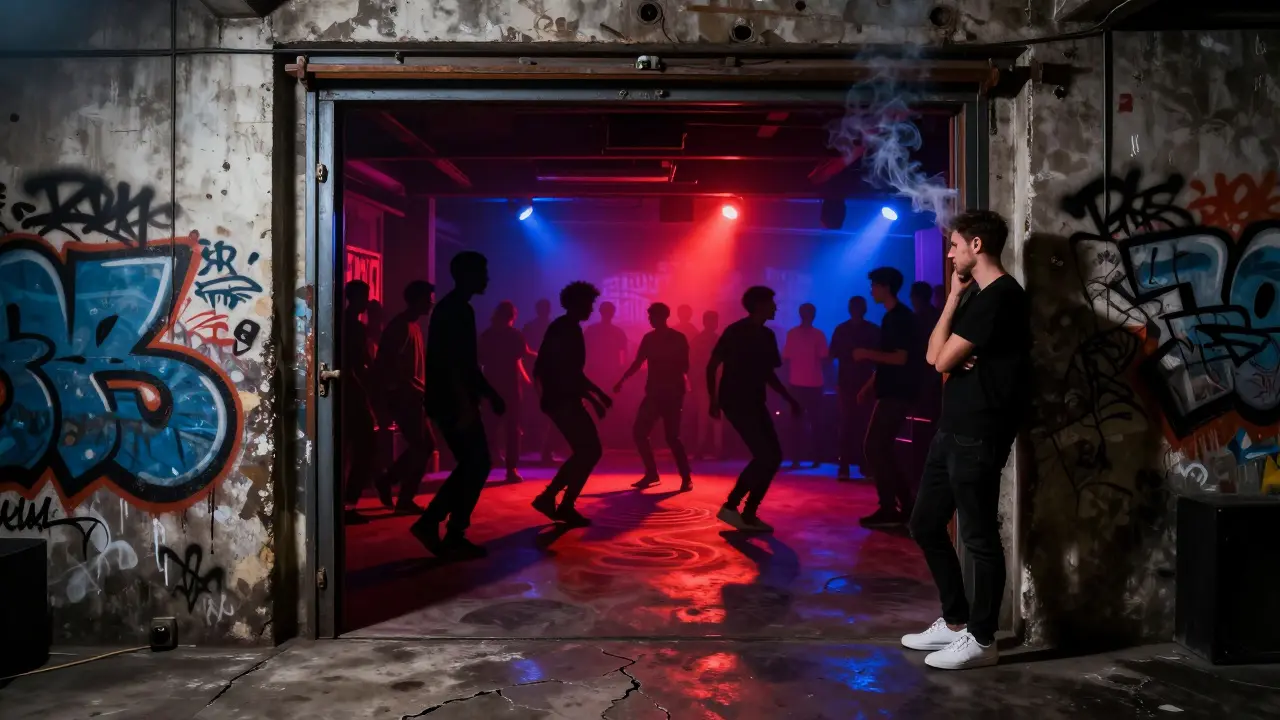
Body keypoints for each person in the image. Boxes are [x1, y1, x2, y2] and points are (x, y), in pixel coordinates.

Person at [900, 210, 1029, 671]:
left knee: (977, 537)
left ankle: (982, 638)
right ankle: (955, 623)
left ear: (977, 245)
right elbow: (935, 355)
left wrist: (954, 356)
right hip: (952, 430)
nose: (949, 252)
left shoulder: (1002, 297)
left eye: (954, 244)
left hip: (980, 432)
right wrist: (953, 298)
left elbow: (939, 362)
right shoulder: (975, 296)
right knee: (925, 524)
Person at [414, 252, 505, 560]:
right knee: (477, 463)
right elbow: (456, 364)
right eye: (482, 272)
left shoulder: (452, 308)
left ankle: (444, 527)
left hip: (450, 399)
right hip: (454, 401)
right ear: (467, 275)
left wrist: (488, 392)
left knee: (474, 464)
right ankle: (441, 526)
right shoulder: (457, 310)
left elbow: (463, 363)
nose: (487, 278)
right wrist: (469, 403)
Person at [707, 286, 801, 533]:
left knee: (773, 456)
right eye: (771, 302)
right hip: (736, 401)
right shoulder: (735, 331)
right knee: (765, 456)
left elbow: (768, 374)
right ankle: (732, 507)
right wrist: (713, 400)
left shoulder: (767, 336)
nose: (775, 307)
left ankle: (747, 513)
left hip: (754, 401)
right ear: (759, 305)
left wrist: (788, 398)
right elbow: (712, 365)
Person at [531, 282, 613, 527]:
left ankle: (554, 500)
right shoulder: (566, 329)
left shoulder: (565, 327)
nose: (591, 309)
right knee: (590, 450)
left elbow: (571, 372)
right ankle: (556, 501)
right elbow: (566, 372)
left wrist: (597, 395)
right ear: (577, 303)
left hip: (561, 397)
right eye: (589, 304)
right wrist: (594, 398)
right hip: (562, 398)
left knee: (586, 450)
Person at [856, 267, 918, 528]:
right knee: (882, 449)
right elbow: (891, 359)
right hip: (892, 391)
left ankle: (890, 509)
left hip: (896, 393)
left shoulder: (899, 318)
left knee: (875, 447)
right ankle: (905, 507)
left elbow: (900, 358)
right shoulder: (893, 317)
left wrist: (866, 354)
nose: (871, 290)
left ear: (885, 287)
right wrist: (869, 385)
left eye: (874, 285)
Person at [370, 281, 437, 513]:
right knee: (423, 446)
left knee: (425, 446)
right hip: (406, 396)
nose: (432, 302)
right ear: (418, 300)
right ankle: (403, 497)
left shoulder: (413, 326)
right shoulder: (401, 327)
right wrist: (398, 392)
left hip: (413, 395)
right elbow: (387, 363)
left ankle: (389, 482)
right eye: (429, 298)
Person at [614, 303, 693, 492]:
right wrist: (623, 379)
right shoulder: (653, 338)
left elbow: (685, 366)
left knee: (671, 437)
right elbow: (639, 361)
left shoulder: (674, 338)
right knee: (642, 433)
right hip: (656, 393)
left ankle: (684, 477)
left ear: (660, 317)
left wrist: (623, 379)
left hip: (671, 394)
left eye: (651, 316)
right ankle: (655, 474)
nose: (649, 320)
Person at [479, 300, 534, 483]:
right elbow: (522, 356)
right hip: (510, 388)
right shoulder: (514, 335)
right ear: (512, 317)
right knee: (512, 429)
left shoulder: (487, 335)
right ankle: (511, 469)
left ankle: (489, 461)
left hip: (490, 386)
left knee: (490, 427)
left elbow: (479, 360)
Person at [829, 296, 880, 481]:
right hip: (863, 383)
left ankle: (846, 467)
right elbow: (880, 357)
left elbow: (831, 354)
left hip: (851, 383)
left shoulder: (841, 329)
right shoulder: (872, 330)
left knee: (848, 425)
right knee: (862, 425)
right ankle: (864, 466)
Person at [341, 280, 376, 524]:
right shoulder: (353, 327)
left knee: (347, 451)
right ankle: (347, 503)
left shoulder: (343, 324)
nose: (367, 302)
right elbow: (357, 365)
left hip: (346, 393)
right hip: (353, 393)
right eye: (365, 297)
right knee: (364, 449)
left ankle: (344, 504)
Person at [782, 303, 828, 469]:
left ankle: (797, 458)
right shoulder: (818, 335)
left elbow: (786, 358)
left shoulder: (792, 334)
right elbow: (824, 360)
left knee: (798, 423)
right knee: (814, 423)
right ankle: (815, 458)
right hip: (812, 384)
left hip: (798, 384)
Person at [585, 300, 628, 447]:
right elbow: (623, 357)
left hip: (596, 373)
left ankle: (594, 438)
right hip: (609, 374)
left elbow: (584, 352)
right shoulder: (618, 332)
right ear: (612, 313)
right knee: (608, 405)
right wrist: (621, 374)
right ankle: (606, 438)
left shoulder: (591, 330)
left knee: (593, 405)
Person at [522, 299, 558, 464]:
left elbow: (523, 351)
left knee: (535, 410)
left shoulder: (530, 327)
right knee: (549, 412)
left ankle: (534, 447)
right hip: (547, 373)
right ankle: (545, 451)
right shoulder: (554, 326)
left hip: (535, 372)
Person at [689, 310, 724, 460]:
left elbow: (691, 363)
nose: (713, 324)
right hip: (711, 383)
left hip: (705, 383)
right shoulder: (718, 340)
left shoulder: (698, 340)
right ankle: (716, 449)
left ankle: (702, 448)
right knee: (713, 417)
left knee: (704, 417)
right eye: (712, 321)